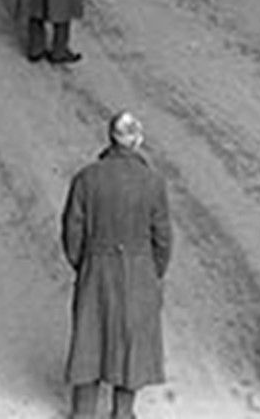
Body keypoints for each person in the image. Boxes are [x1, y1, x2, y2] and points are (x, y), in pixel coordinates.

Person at [61, 111, 172, 419]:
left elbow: (72, 230)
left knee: (89, 338)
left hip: (96, 266)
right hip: (139, 269)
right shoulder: (153, 182)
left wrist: (84, 264)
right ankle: (122, 412)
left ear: (110, 138)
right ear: (137, 141)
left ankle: (82, 412)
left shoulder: (86, 178)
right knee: (131, 341)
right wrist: (153, 271)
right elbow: (162, 237)